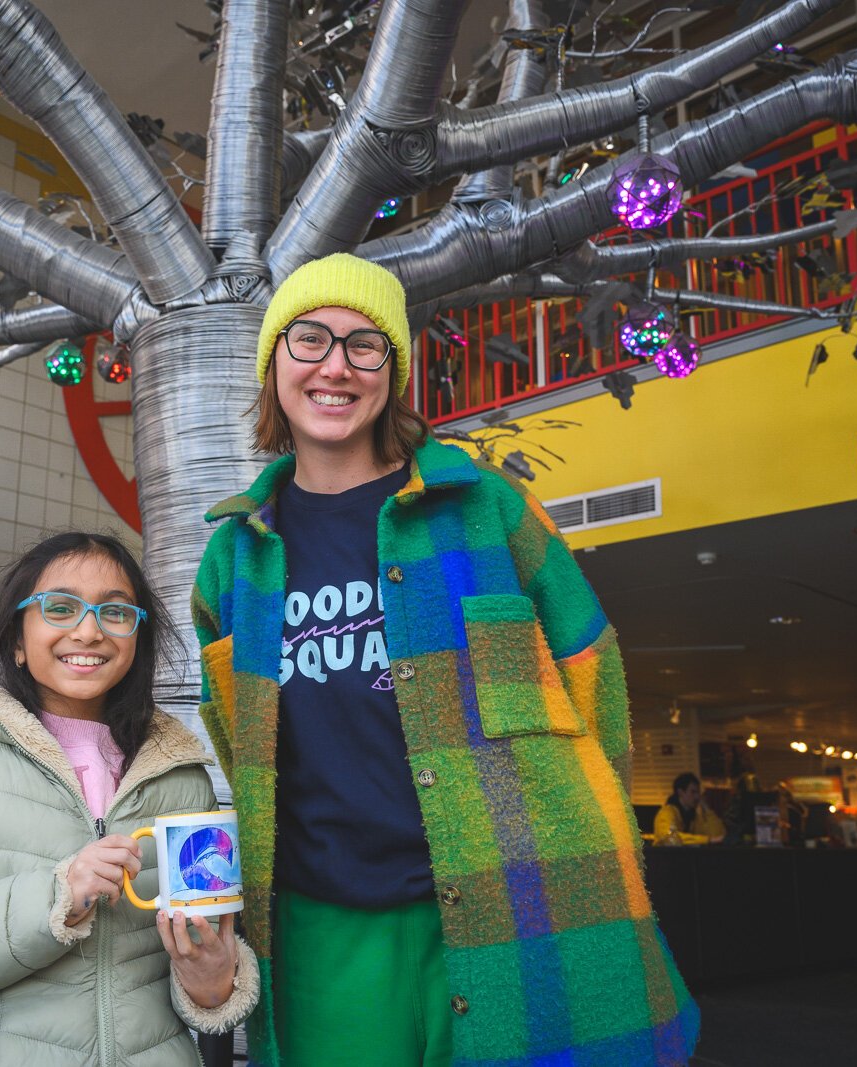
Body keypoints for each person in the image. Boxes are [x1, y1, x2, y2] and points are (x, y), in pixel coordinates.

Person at [192, 254, 698, 1066]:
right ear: (273, 363)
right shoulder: (232, 559)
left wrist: (603, 850)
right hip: (322, 924)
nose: (335, 365)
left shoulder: (487, 508)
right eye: (309, 338)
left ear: (392, 373)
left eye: (366, 346)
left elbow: (591, 670)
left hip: (516, 899)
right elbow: (241, 746)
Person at [0, 532, 258, 1065]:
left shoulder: (181, 776)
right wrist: (56, 896)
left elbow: (204, 990)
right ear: (17, 640)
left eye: (115, 612)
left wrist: (212, 981)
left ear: (137, 638)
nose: (88, 631)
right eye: (59, 608)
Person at [655, 773, 727, 845]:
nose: (697, 797)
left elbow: (718, 835)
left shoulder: (693, 816)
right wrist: (707, 840)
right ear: (681, 792)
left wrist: (706, 809)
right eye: (693, 792)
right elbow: (669, 837)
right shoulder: (667, 812)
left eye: (698, 792)